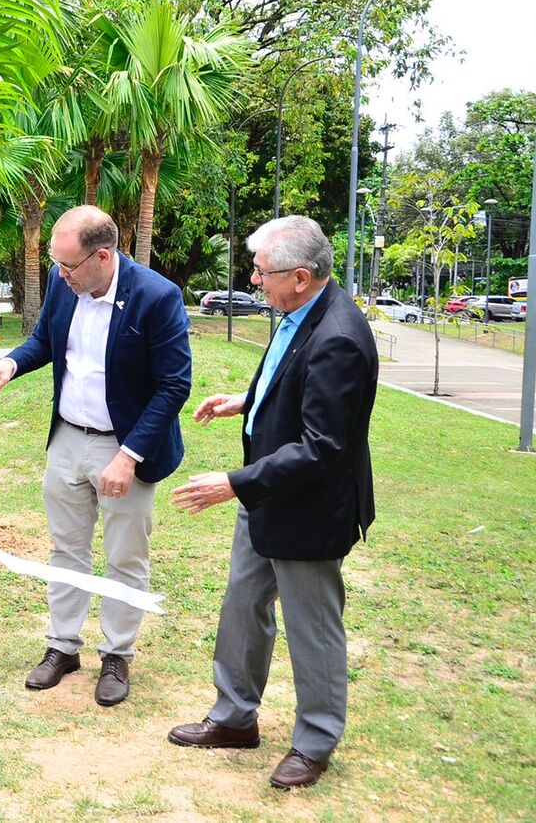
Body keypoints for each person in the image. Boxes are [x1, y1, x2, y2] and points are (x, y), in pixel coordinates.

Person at [169, 215, 378, 791]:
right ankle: (235, 718)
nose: (254, 281)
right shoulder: (296, 311)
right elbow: (292, 374)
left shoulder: (338, 336)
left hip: (308, 509)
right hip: (268, 499)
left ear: (303, 277)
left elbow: (322, 447)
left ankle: (314, 742)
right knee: (243, 604)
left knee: (312, 628)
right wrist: (248, 399)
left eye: (262, 272)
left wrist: (234, 483)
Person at [0, 205, 191, 705]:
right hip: (68, 438)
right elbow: (46, 340)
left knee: (124, 554)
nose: (60, 275)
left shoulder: (157, 297)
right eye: (57, 264)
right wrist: (9, 363)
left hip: (124, 445)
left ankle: (117, 656)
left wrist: (129, 455)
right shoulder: (62, 279)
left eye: (68, 266)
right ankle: (62, 647)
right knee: (66, 549)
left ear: (103, 256)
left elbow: (174, 385)